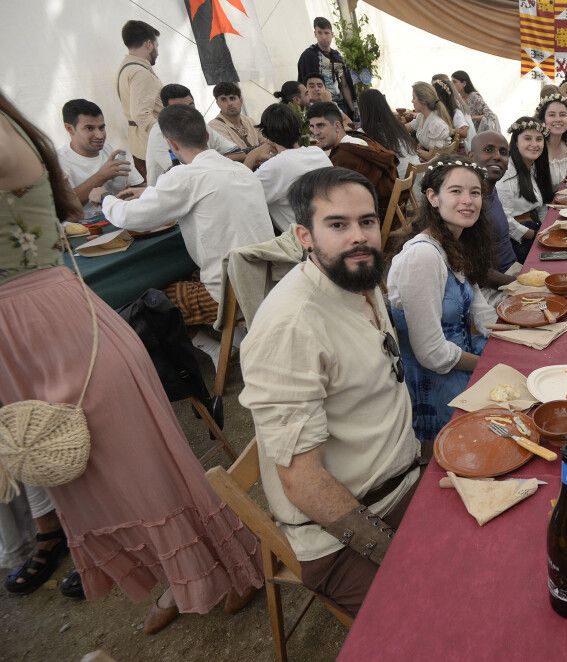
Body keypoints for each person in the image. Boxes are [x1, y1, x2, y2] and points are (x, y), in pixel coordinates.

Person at [0, 90, 260, 634]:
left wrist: (120, 197)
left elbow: (133, 210)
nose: (99, 136)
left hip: (48, 324)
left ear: (170, 141)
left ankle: (222, 569)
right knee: (78, 474)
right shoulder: (220, 168)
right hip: (28, 330)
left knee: (140, 474)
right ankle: (177, 577)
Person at [239, 166, 422, 616]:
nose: (358, 236)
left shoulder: (357, 276)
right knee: (440, 615)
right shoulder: (291, 325)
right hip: (344, 535)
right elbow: (302, 481)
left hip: (406, 478)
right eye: (337, 225)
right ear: (305, 235)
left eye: (367, 221)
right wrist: (392, 552)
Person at [96, 105, 273, 338]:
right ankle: (232, 341)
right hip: (268, 281)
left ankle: (212, 347)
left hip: (234, 295)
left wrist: (103, 199)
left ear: (172, 144)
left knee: (153, 298)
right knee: (188, 273)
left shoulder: (183, 177)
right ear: (208, 136)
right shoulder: (240, 170)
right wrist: (149, 193)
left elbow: (129, 217)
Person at [387, 156, 497, 443]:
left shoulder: (453, 242)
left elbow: (481, 311)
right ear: (433, 197)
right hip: (437, 382)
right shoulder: (423, 256)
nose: (468, 201)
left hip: (462, 359)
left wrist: (512, 340)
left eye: (475, 193)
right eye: (456, 191)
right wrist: (489, 366)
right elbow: (431, 353)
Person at [247, 103, 332, 231]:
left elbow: (241, 194)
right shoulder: (317, 152)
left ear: (267, 137)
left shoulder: (273, 167)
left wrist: (252, 156)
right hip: (333, 229)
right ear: (299, 128)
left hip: (304, 244)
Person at [56, 98, 144, 220]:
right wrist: (102, 176)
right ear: (69, 128)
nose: (100, 135)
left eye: (102, 128)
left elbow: (137, 186)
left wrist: (130, 192)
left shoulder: (110, 150)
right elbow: (65, 208)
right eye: (90, 128)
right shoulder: (58, 162)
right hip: (85, 230)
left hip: (119, 220)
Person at [308, 101, 398, 214]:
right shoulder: (358, 139)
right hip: (388, 209)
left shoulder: (344, 156)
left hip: (373, 217)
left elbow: (340, 199)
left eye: (320, 125)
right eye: (312, 126)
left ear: (337, 126)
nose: (315, 132)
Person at [144, 84, 244, 186]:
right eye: (181, 109)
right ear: (167, 111)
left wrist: (209, 164)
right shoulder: (159, 133)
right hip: (170, 193)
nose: (189, 112)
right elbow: (181, 175)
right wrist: (215, 162)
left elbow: (238, 153)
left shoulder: (199, 124)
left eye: (191, 106)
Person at [496, 117, 554, 262]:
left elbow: (539, 206)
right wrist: (533, 234)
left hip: (535, 231)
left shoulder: (532, 166)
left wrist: (546, 230)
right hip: (519, 243)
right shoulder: (506, 174)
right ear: (516, 142)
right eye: (528, 139)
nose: (534, 144)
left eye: (539, 139)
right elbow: (504, 220)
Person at [470, 130, 520, 292]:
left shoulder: (491, 189)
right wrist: (519, 284)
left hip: (513, 271)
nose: (498, 156)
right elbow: (480, 273)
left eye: (503, 152)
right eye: (488, 150)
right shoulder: (470, 203)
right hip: (492, 289)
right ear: (471, 157)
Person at [116, 19, 162, 177]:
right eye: (156, 45)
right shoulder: (140, 72)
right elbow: (141, 114)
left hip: (141, 144)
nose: (157, 50)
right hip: (151, 146)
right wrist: (169, 135)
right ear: (149, 44)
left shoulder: (126, 67)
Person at [296, 16, 358, 121]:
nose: (323, 36)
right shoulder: (308, 56)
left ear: (332, 34)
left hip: (341, 104)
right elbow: (305, 86)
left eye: (326, 33)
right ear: (315, 34)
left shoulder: (337, 56)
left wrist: (353, 110)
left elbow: (345, 85)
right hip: (320, 107)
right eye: (320, 33)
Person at [358, 88, 420, 177]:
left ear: (363, 110)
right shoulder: (397, 125)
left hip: (400, 186)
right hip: (417, 181)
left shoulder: (365, 133)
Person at [209, 81, 264, 152]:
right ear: (217, 103)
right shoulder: (214, 126)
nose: (229, 103)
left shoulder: (250, 121)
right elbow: (233, 154)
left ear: (241, 100)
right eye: (223, 100)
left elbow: (266, 143)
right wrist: (260, 150)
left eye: (232, 98)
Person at [537, 93, 567, 187]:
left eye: (562, 114)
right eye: (552, 115)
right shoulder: (536, 149)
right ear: (543, 120)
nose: (558, 119)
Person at [408, 81, 453, 160]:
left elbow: (432, 157)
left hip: (438, 166)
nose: (412, 101)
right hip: (428, 162)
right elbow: (408, 127)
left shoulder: (436, 124)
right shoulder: (421, 116)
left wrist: (416, 150)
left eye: (414, 98)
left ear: (423, 101)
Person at [432, 74, 474, 146]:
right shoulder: (436, 110)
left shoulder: (455, 112)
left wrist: (449, 130)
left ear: (441, 96)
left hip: (455, 148)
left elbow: (464, 132)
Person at [274, 80, 311, 145]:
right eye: (306, 94)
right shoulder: (290, 119)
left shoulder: (281, 113)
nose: (309, 97)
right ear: (296, 100)